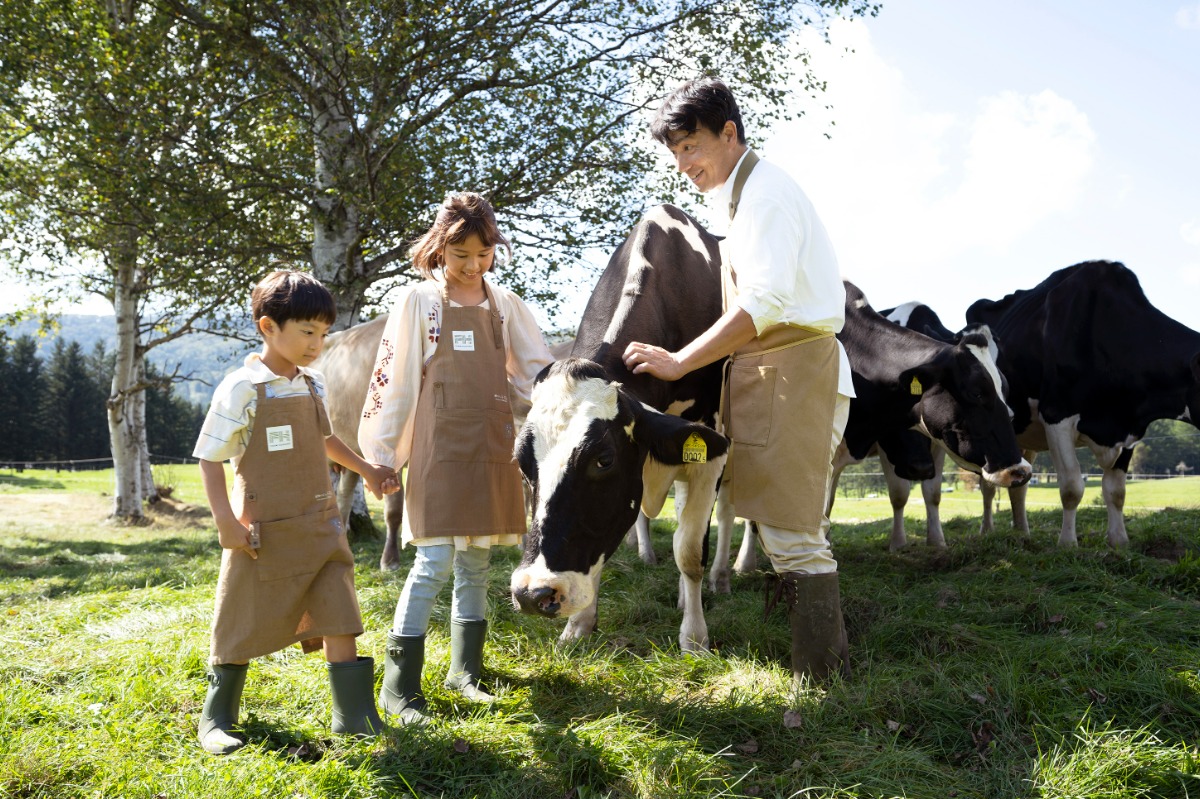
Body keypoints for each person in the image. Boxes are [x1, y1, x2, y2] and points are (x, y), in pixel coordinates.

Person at [622, 77, 856, 682]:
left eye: (692, 147)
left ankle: (823, 679)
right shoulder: (741, 197)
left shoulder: (765, 198)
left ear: (730, 133)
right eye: (675, 154)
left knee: (790, 530)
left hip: (797, 367)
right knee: (784, 529)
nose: (684, 165)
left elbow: (766, 301)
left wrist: (678, 363)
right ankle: (820, 666)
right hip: (772, 371)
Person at [358, 192, 553, 725]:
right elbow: (393, 379)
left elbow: (536, 371)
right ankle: (400, 689)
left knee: (477, 564)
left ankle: (465, 672)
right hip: (438, 449)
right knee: (433, 564)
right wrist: (380, 455)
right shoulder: (418, 303)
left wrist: (572, 403)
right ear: (439, 248)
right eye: (461, 253)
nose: (472, 266)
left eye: (483, 254)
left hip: (492, 446)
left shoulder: (504, 305)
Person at [193, 269, 399, 754]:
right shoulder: (240, 388)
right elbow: (208, 458)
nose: (317, 344)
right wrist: (225, 520)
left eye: (323, 333)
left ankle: (353, 717)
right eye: (307, 332)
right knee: (238, 619)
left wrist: (367, 470)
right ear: (268, 327)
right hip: (259, 532)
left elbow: (325, 439)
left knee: (340, 612)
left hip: (320, 524)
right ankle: (218, 717)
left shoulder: (314, 384)